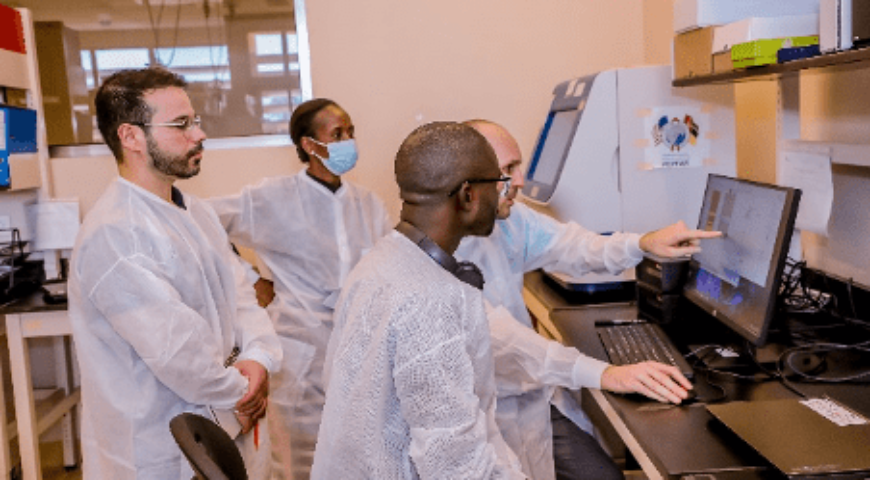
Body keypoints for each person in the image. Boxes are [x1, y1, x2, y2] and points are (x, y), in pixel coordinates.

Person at [455, 119, 719, 480]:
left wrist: (642, 243)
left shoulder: (508, 221)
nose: (519, 181)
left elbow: (574, 245)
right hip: (479, 413)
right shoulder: (442, 252)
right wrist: (607, 374)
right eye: (508, 170)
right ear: (469, 183)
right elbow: (503, 342)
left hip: (530, 397)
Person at [68, 67, 282, 480]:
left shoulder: (195, 210)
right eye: (181, 124)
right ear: (131, 137)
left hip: (227, 421)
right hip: (158, 448)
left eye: (195, 121)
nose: (199, 134)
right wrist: (243, 392)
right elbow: (178, 354)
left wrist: (258, 358)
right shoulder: (114, 234)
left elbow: (241, 297)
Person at [310, 122, 526, 479]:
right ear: (468, 195)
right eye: (497, 183)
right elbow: (454, 466)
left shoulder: (381, 261)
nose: (503, 192)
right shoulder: (430, 300)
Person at [208, 98, 393, 479]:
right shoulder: (272, 198)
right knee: (297, 462)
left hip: (359, 352)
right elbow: (201, 220)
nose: (348, 141)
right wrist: (248, 278)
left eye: (351, 132)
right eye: (337, 134)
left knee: (357, 456)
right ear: (309, 145)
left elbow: (390, 266)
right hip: (299, 357)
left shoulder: (368, 205)